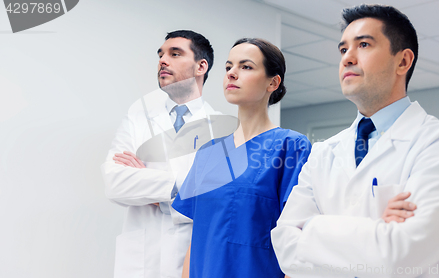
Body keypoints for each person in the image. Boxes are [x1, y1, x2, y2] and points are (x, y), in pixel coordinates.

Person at [271, 4, 439, 278]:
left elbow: (399, 255)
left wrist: (313, 227)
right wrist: (377, 226)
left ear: (403, 61)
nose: (347, 58)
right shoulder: (323, 152)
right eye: (343, 49)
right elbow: (285, 248)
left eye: (363, 45)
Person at [171, 38, 311, 278]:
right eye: (228, 67)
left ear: (273, 82)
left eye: (245, 67)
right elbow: (197, 238)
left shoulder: (290, 146)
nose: (232, 74)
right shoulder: (208, 153)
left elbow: (300, 239)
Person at [101, 30, 221, 278]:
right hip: (141, 261)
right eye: (161, 55)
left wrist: (146, 180)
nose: (162, 61)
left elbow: (214, 201)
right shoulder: (136, 120)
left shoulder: (223, 130)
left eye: (175, 54)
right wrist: (184, 187)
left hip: (192, 260)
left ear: (201, 66)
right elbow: (114, 184)